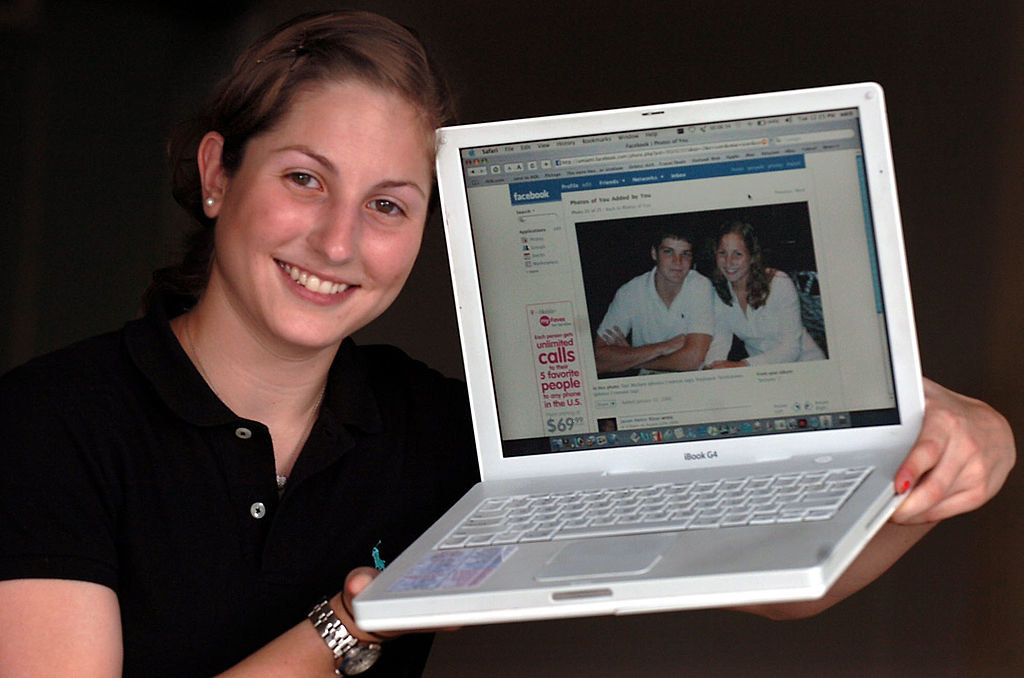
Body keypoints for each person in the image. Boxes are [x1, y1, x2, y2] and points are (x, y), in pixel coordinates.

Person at [0, 10, 1015, 678]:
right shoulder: (50, 423)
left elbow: (772, 582)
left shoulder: (438, 433)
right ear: (219, 174)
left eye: (389, 205)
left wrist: (950, 441)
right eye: (304, 179)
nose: (340, 241)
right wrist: (348, 628)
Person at [704, 220, 825, 369]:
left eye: (738, 254)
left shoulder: (779, 283)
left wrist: (742, 365)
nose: (728, 262)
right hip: (764, 372)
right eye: (723, 253)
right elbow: (721, 340)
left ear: (752, 257)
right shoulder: (719, 292)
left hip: (807, 366)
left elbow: (791, 348)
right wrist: (709, 368)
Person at [594, 230, 714, 375]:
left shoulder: (699, 285)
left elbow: (692, 360)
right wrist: (662, 347)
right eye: (669, 252)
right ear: (654, 254)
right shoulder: (631, 291)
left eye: (685, 254)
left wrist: (632, 359)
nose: (678, 261)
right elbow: (599, 360)